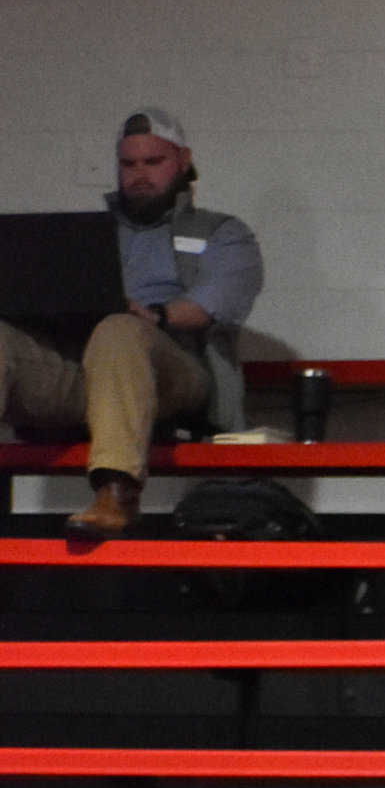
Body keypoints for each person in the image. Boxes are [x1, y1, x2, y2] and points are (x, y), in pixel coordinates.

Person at [0, 111, 265, 547]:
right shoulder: (84, 235)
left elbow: (208, 307)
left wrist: (153, 315)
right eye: (129, 165)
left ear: (183, 160)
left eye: (153, 162)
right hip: (81, 370)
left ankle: (116, 494)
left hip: (173, 369)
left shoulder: (223, 233)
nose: (140, 175)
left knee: (119, 330)